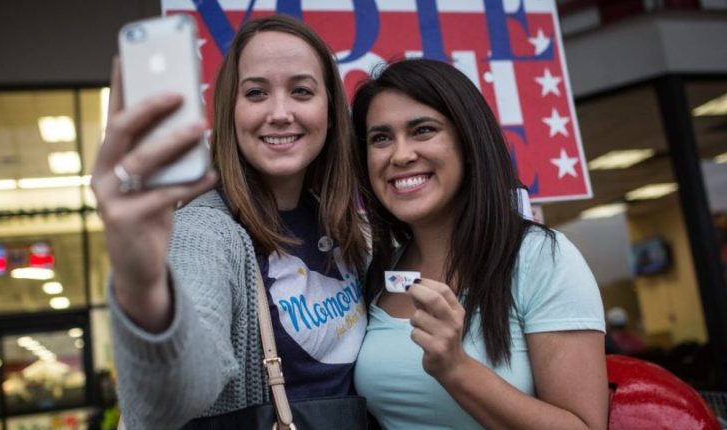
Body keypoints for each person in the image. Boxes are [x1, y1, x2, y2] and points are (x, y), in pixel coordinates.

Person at [91, 15, 368, 429]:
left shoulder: (354, 230)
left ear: (330, 109)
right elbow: (174, 398)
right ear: (229, 112)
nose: (279, 112)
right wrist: (143, 286)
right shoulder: (205, 232)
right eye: (256, 93)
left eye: (301, 91)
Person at [350, 59, 609, 430]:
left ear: (469, 144)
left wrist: (456, 368)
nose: (400, 155)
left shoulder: (541, 258)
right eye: (381, 138)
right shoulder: (377, 270)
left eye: (423, 130)